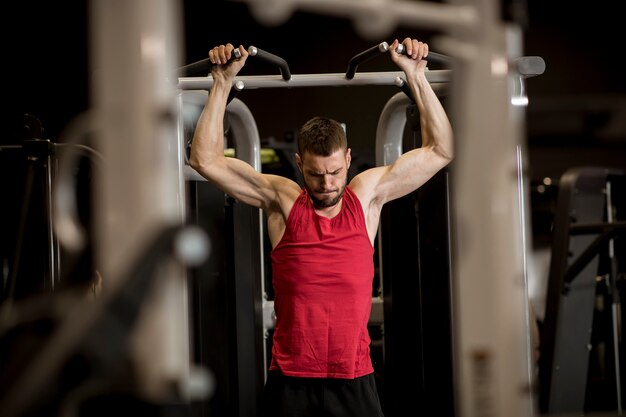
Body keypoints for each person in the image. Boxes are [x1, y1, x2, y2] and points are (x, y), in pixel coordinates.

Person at [189, 37, 454, 417]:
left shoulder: (364, 197)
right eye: (315, 174)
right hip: (291, 382)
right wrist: (221, 82)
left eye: (334, 172)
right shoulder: (283, 199)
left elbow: (441, 150)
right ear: (299, 164)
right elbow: (205, 159)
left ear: (348, 159)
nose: (327, 184)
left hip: (354, 379)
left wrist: (416, 75)